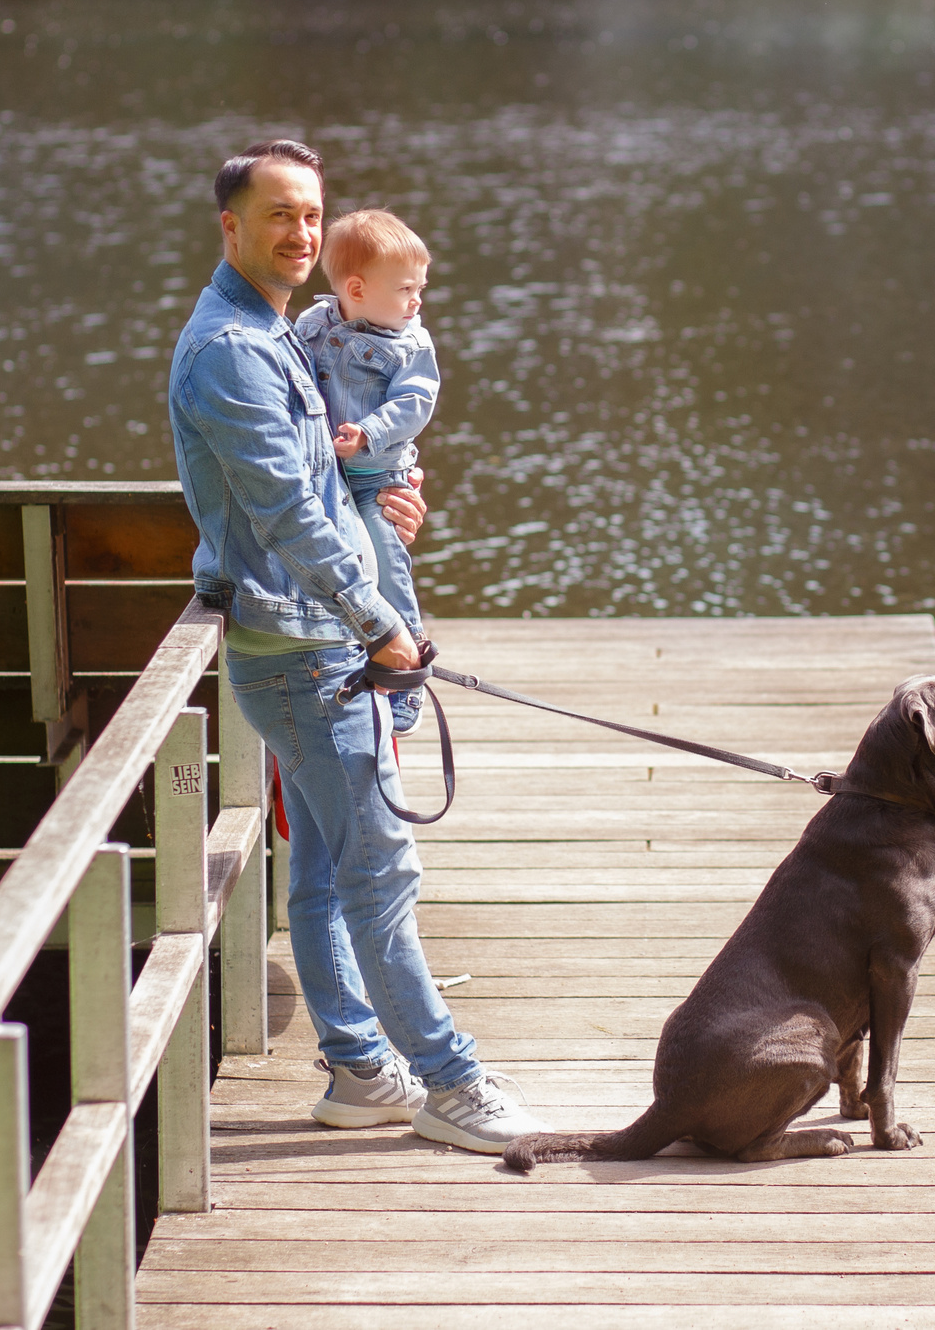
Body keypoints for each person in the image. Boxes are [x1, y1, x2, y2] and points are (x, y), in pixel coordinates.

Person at [167, 138, 545, 1154]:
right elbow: (288, 515)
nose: (296, 233)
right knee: (380, 869)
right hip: (306, 653)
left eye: (308, 214)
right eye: (277, 214)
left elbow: (318, 486)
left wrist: (385, 503)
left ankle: (357, 1068)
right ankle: (448, 1080)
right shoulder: (235, 353)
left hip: (308, 641)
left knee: (330, 870)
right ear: (230, 226)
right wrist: (382, 623)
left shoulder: (277, 331)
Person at [294, 209, 437, 733]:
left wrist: (369, 433)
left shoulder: (410, 343)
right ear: (356, 288)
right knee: (355, 561)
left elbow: (415, 404)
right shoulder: (312, 326)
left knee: (386, 558)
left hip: (377, 473)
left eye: (419, 287)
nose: (416, 300)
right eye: (405, 289)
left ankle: (410, 668)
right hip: (327, 473)